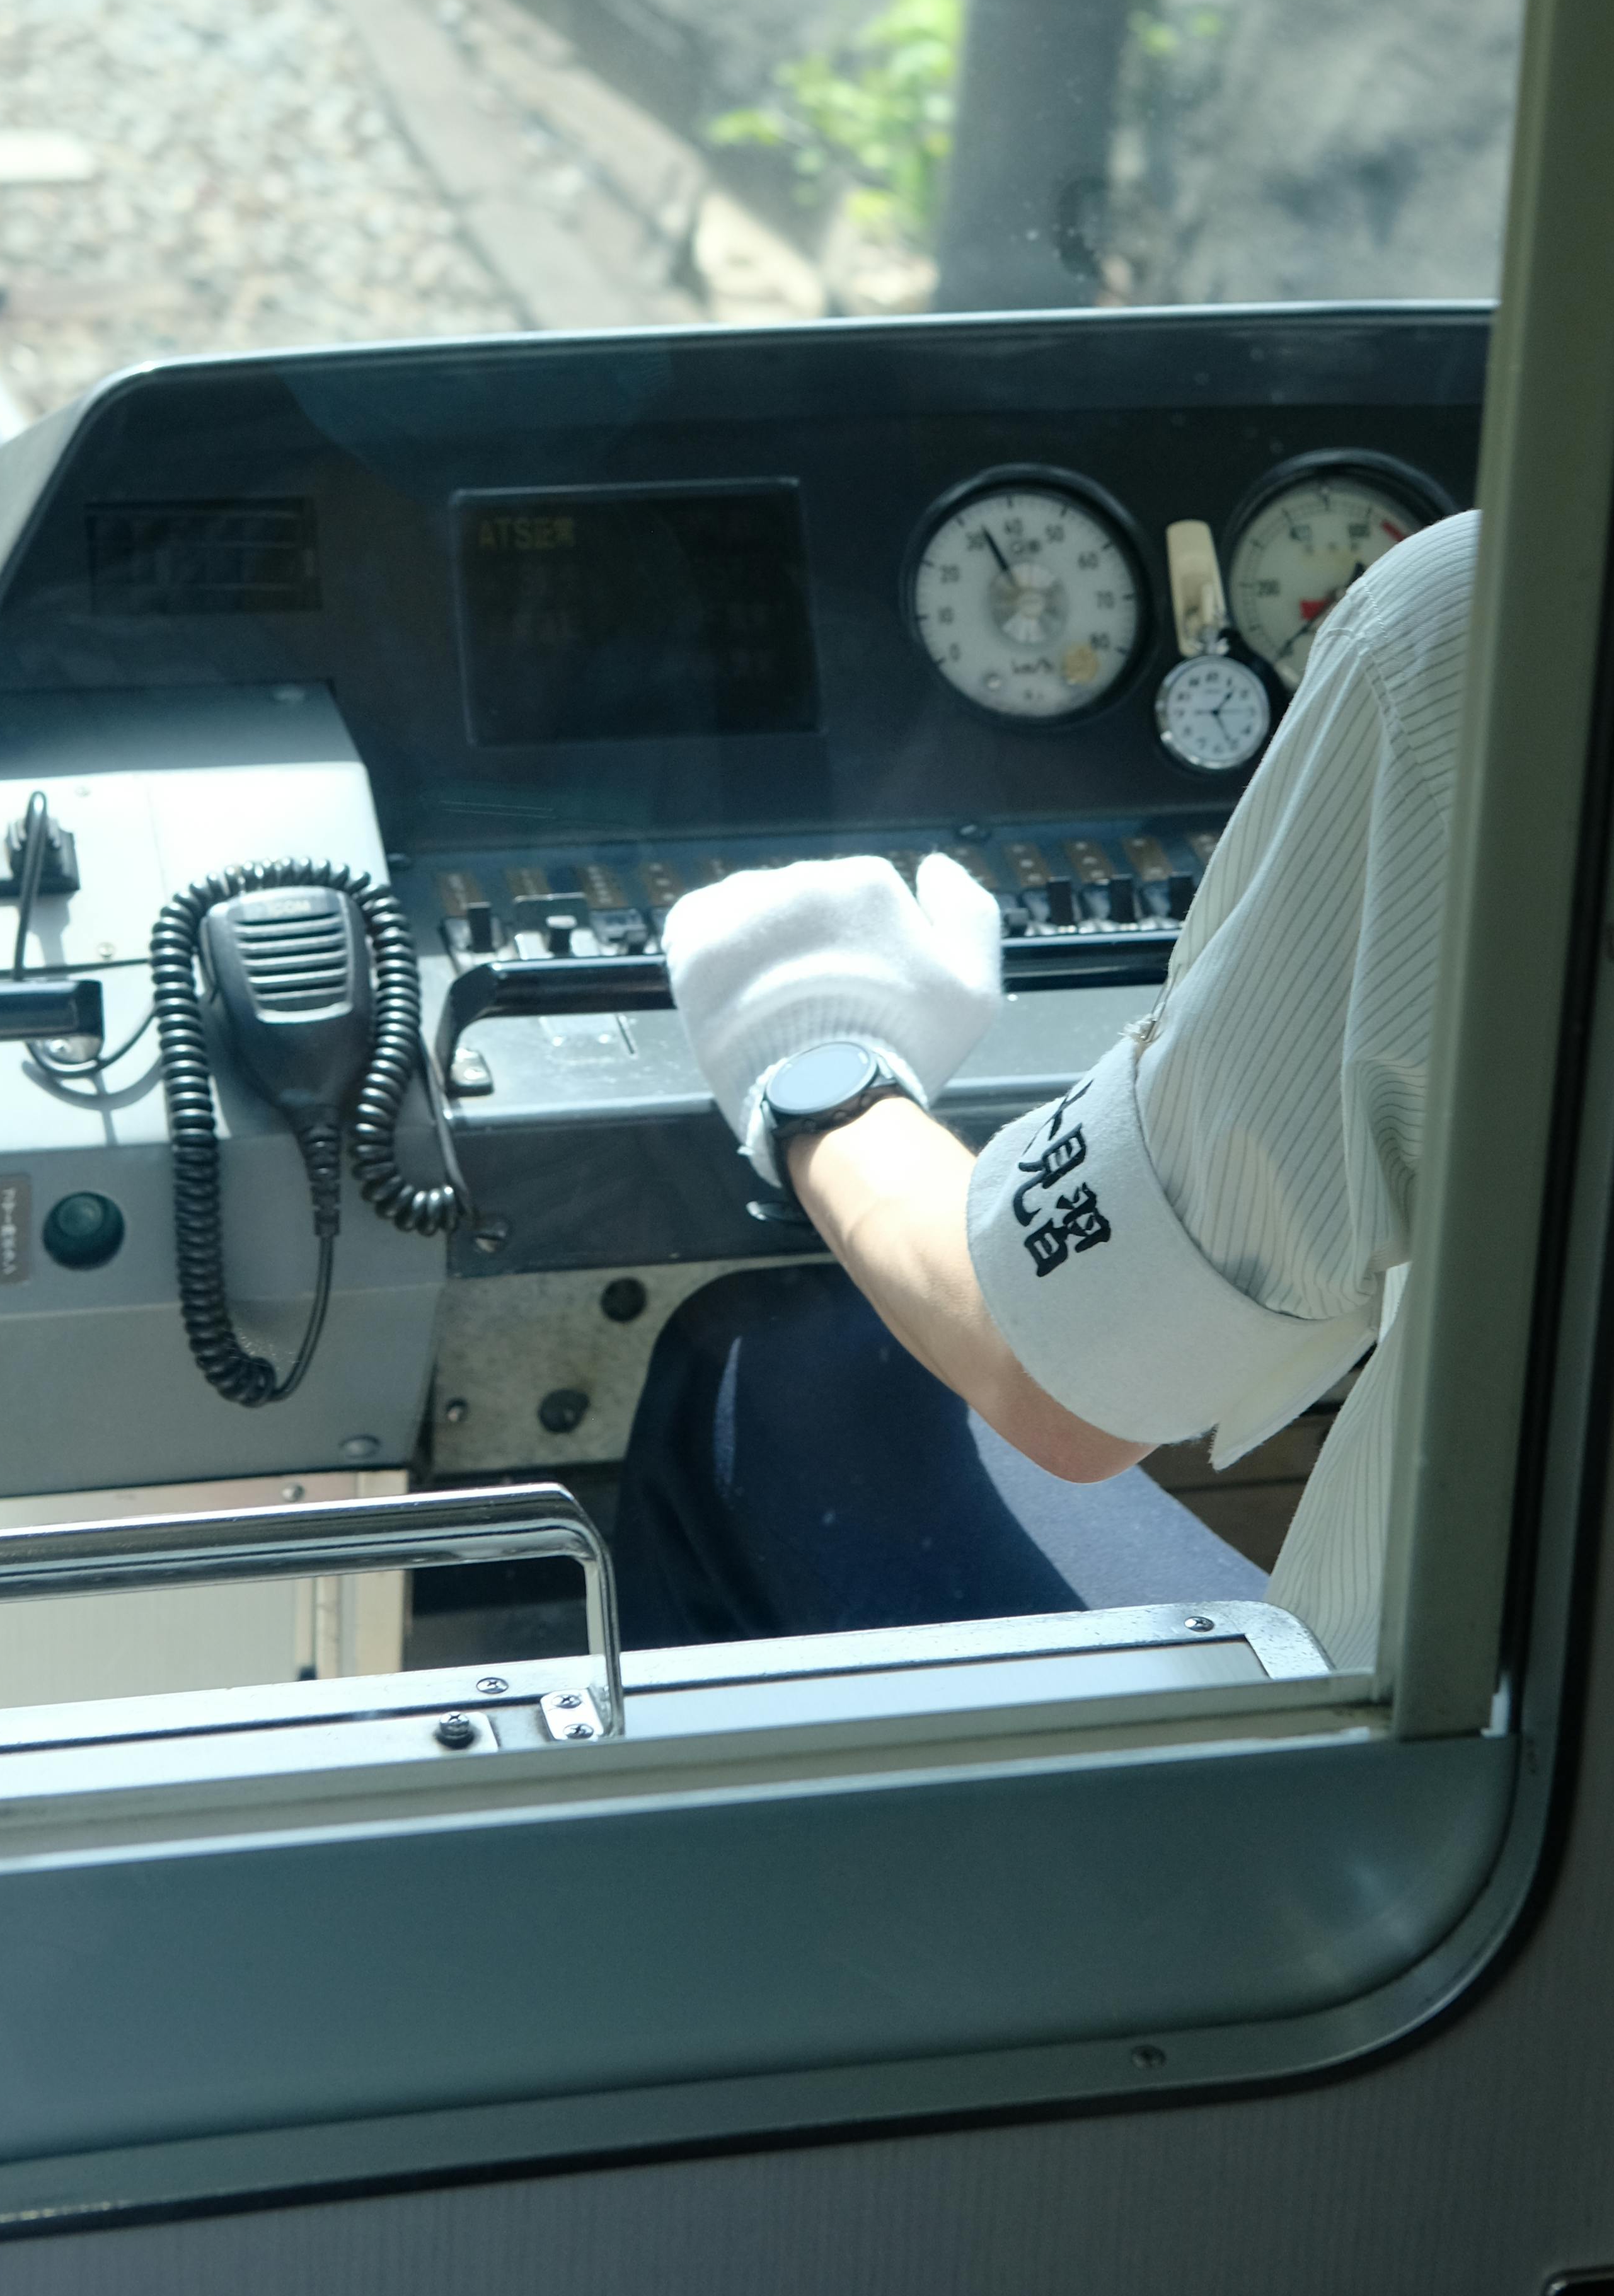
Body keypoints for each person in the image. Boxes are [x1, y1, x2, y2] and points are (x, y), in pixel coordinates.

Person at [614, 504, 1477, 1674]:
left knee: (767, 1367)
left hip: (1433, 1750)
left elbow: (1066, 1385)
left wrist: (821, 1064)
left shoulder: (1474, 626)